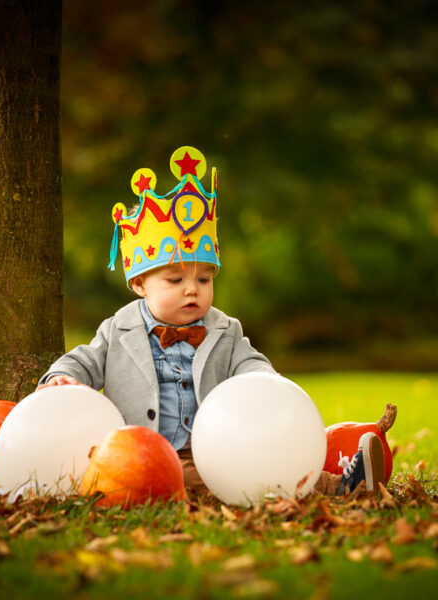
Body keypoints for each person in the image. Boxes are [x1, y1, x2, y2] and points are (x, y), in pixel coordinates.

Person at [39, 146, 385, 497]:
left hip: (216, 446)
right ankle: (331, 486)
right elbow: (85, 358)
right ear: (140, 284)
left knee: (258, 464)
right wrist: (63, 377)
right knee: (210, 479)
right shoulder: (118, 330)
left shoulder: (225, 330)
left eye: (204, 280)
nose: (193, 290)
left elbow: (249, 362)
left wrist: (264, 381)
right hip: (139, 456)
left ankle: (342, 484)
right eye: (175, 281)